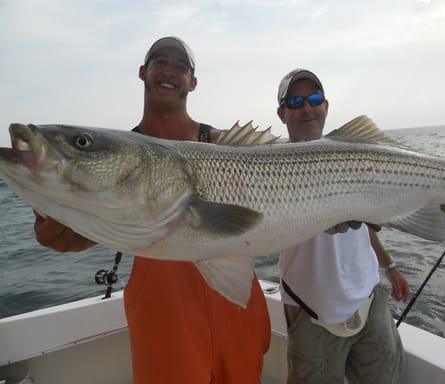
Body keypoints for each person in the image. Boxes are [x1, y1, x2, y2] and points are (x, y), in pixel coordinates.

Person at [33, 36, 271, 384]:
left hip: (233, 301)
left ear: (193, 81)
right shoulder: (114, 155)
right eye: (161, 61)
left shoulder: (221, 144)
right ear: (144, 72)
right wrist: (53, 223)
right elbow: (74, 238)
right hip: (166, 315)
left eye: (181, 66)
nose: (170, 71)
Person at [275, 68, 445, 384]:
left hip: (369, 298)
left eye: (315, 98)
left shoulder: (352, 156)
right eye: (295, 101)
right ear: (282, 113)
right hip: (312, 311)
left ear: (326, 105)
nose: (307, 107)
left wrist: (389, 266)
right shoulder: (270, 162)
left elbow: (364, 223)